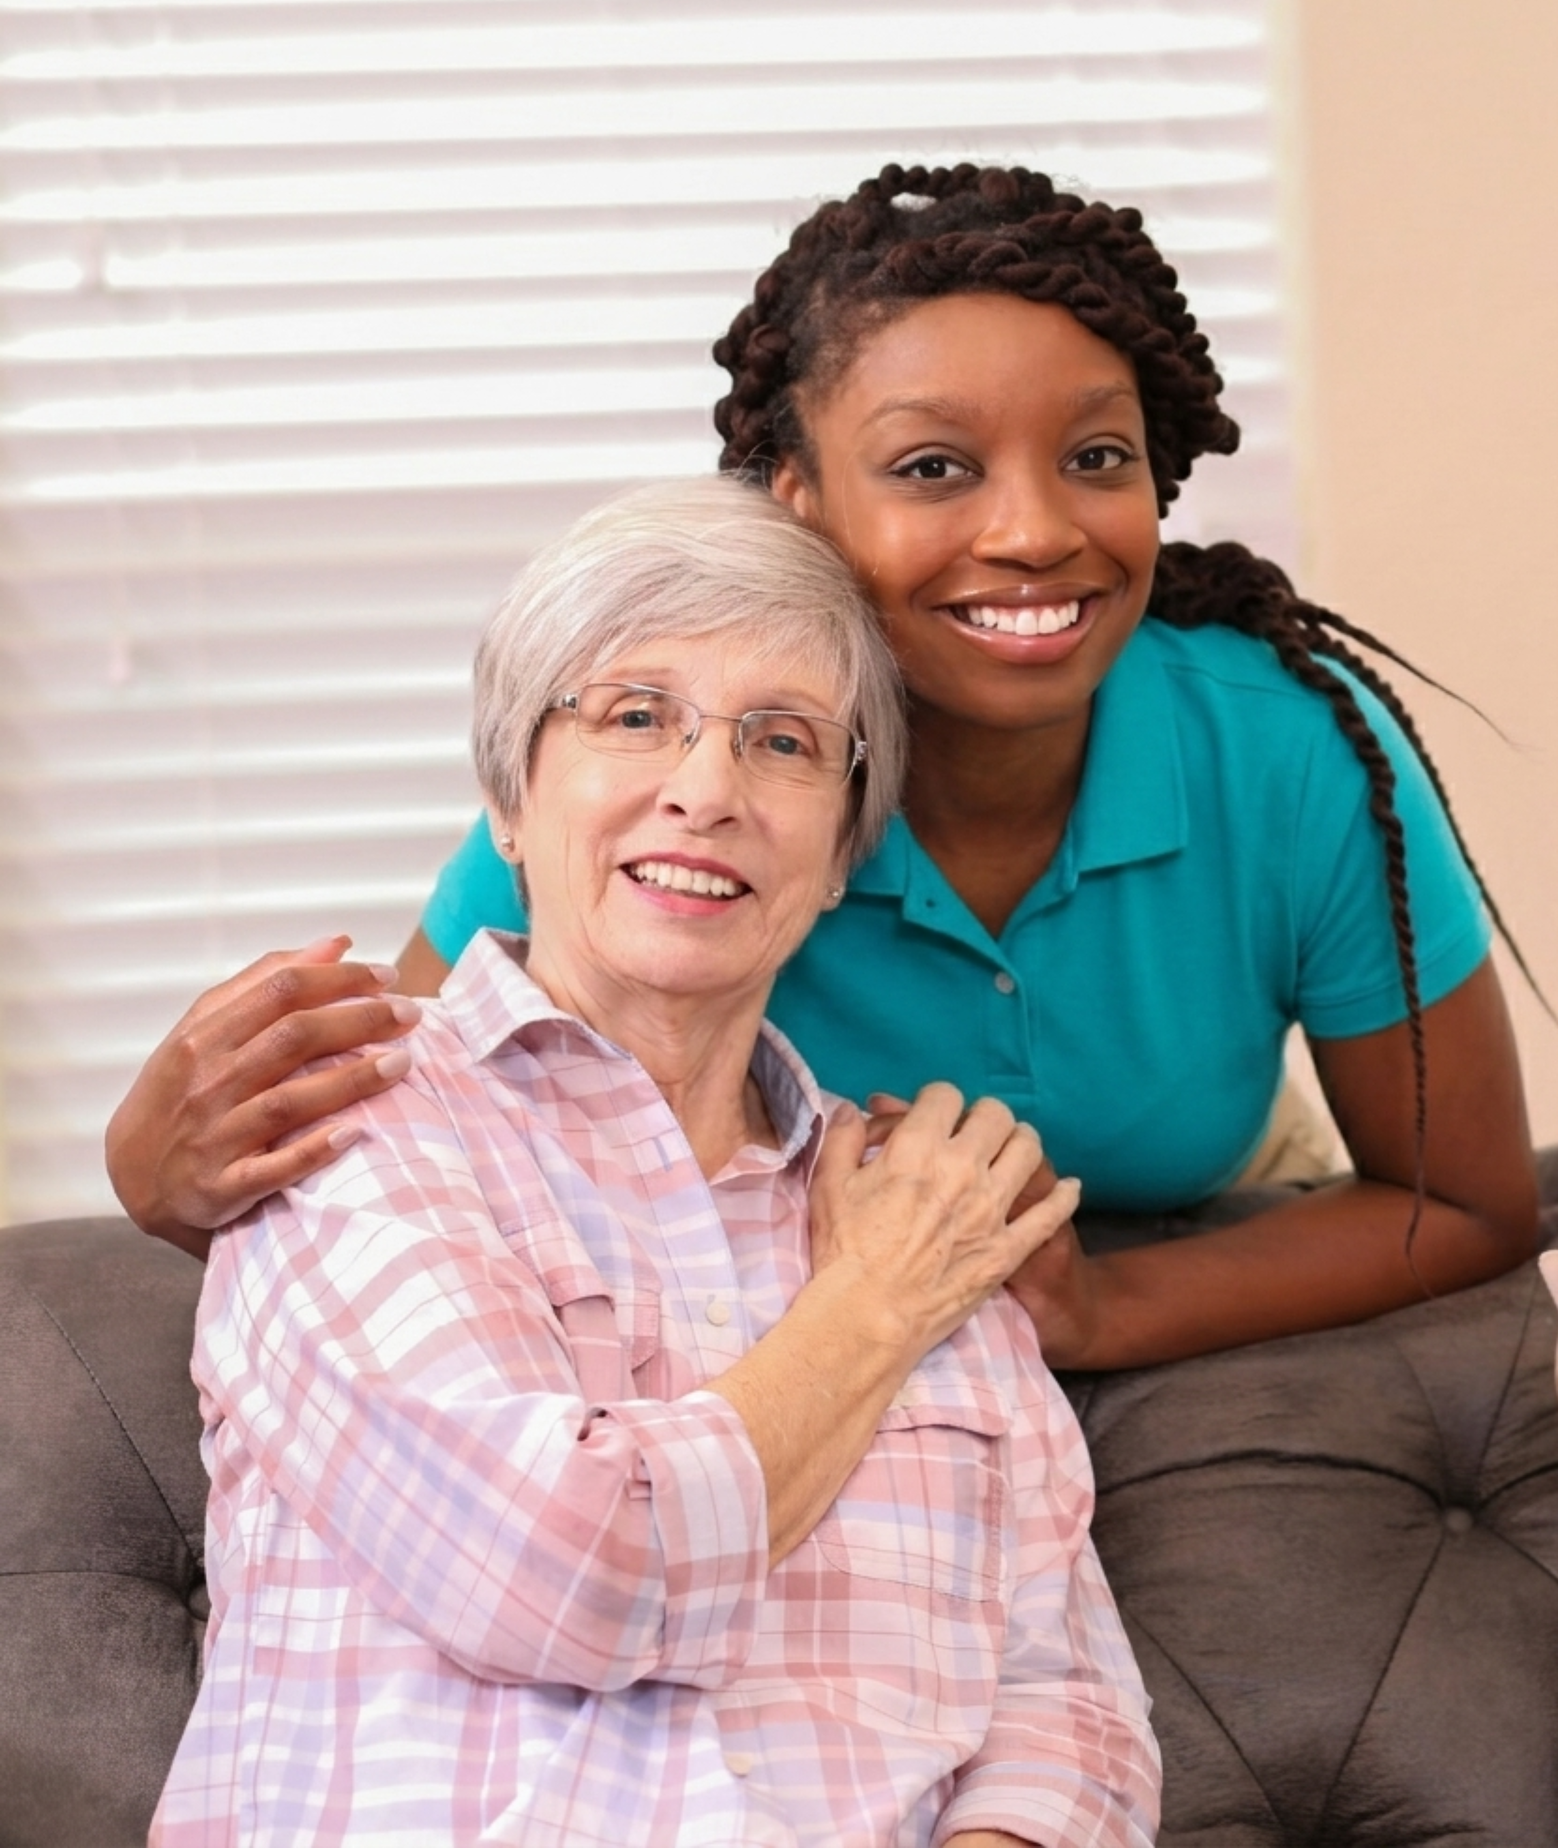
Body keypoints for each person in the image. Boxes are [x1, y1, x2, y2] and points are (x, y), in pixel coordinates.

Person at [107, 162, 1539, 1369]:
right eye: (934, 469)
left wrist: (1100, 1306)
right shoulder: (665, 788)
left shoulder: (1286, 746)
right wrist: (154, 1174)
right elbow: (406, 1149)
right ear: (795, 500)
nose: (1038, 530)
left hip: (1186, 1243)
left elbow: (1464, 1204)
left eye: (1097, 457)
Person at [150, 475, 1159, 1848]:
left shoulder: (922, 1205)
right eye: (636, 718)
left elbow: (1072, 1712)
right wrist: (876, 1307)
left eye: (786, 743)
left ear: (840, 851)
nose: (707, 791)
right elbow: (575, 1570)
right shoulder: (356, 1132)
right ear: (510, 801)